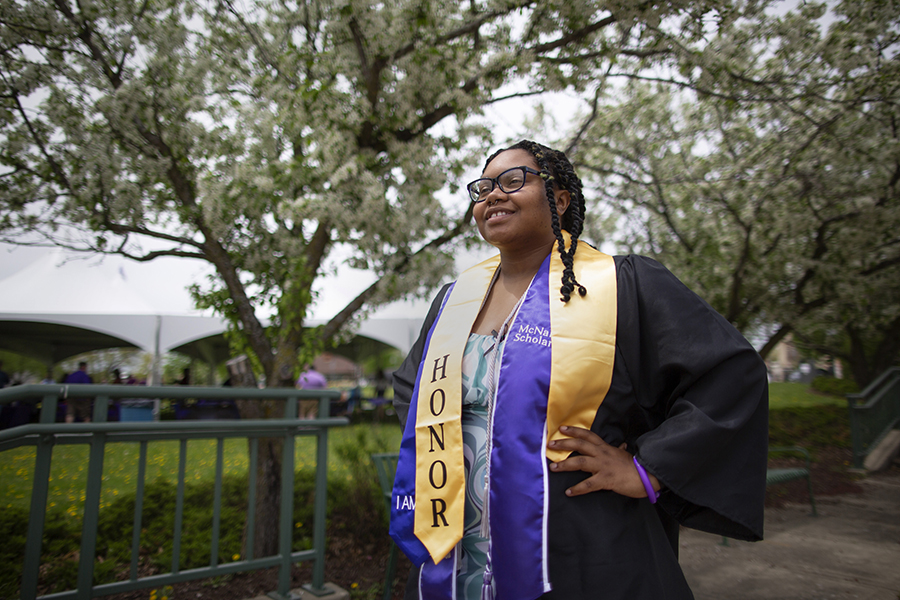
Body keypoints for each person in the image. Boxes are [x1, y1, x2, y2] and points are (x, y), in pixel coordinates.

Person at [389, 140, 769, 600]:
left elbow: (728, 375)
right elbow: (412, 392)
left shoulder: (621, 285)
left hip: (576, 539)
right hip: (459, 540)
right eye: (483, 187)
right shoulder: (454, 301)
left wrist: (649, 470)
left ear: (561, 199)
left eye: (513, 181)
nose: (493, 195)